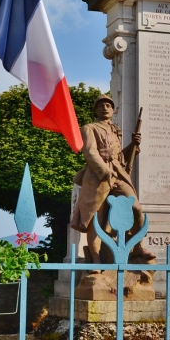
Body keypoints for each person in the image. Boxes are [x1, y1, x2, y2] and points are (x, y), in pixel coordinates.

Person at [71, 95, 156, 266]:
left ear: (112, 110)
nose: (105, 108)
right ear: (95, 110)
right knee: (96, 220)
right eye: (101, 105)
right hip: (97, 176)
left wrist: (133, 146)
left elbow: (119, 158)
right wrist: (104, 171)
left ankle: (138, 246)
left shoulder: (115, 130)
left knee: (135, 207)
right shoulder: (89, 128)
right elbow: (90, 152)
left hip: (118, 175)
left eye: (108, 105)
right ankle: (95, 261)